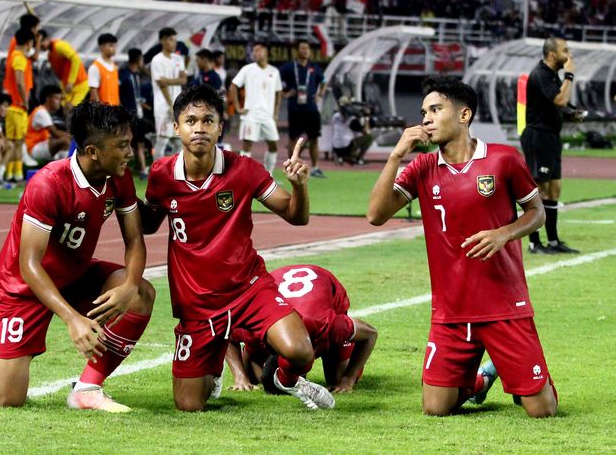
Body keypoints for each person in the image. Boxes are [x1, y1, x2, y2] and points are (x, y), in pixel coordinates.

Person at [366, 76, 558, 418]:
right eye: (423, 111)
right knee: (435, 409)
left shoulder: (503, 159)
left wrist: (504, 233)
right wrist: (396, 156)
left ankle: (531, 378)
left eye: (436, 109)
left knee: (541, 411)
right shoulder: (422, 167)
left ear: (464, 115)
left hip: (504, 306)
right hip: (451, 311)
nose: (426, 118)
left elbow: (537, 212)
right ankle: (483, 379)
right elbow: (376, 215)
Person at [0, 102, 155, 412]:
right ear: (93, 151)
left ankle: (86, 389)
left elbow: (134, 240)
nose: (130, 152)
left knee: (140, 292)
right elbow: (29, 264)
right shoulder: (48, 184)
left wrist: (128, 285)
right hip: (24, 286)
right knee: (4, 400)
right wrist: (72, 318)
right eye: (123, 145)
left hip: (75, 275)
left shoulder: (119, 177)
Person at [141, 84, 334, 411]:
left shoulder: (244, 170)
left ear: (220, 127)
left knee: (300, 350)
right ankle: (214, 363)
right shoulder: (162, 174)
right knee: (189, 406)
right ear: (176, 128)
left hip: (249, 290)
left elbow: (295, 216)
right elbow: (148, 224)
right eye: (190, 121)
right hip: (198, 303)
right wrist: (116, 190)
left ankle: (285, 380)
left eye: (207, 120)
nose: (199, 128)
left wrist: (299, 186)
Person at [225, 264, 378, 394]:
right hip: (278, 291)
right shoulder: (256, 327)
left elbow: (370, 334)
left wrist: (348, 379)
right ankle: (254, 356)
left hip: (322, 282)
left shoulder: (324, 324)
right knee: (252, 378)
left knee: (337, 379)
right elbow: (226, 335)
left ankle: (336, 346)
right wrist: (241, 377)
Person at [521, 37, 579, 254]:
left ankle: (553, 242)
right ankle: (535, 243)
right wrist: (570, 75)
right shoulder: (541, 74)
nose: (569, 55)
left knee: (554, 189)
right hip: (538, 137)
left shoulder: (552, 75)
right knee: (539, 190)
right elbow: (560, 100)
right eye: (565, 50)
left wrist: (572, 113)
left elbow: (559, 104)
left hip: (551, 137)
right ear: (552, 55)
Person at [229, 42, 282, 174]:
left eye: (258, 51)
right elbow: (233, 86)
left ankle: (268, 175)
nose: (255, 53)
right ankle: (243, 175)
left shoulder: (274, 72)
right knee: (247, 145)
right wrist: (238, 107)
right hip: (250, 115)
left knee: (273, 145)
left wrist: (275, 113)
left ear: (266, 53)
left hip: (267, 116)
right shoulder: (247, 69)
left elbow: (278, 93)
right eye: (254, 51)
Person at [279, 40, 327, 177]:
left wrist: (320, 95)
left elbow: (323, 81)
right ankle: (291, 166)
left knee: (314, 139)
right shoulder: (288, 68)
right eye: (302, 48)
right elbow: (275, 81)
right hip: (295, 108)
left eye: (307, 48)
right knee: (293, 139)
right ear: (297, 51)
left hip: (311, 108)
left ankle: (316, 168)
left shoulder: (314, 67)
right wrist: (285, 94)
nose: (305, 50)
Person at [3, 28, 35, 182]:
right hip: (16, 106)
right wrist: (25, 100)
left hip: (17, 107)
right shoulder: (18, 57)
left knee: (18, 142)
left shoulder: (16, 56)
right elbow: (19, 81)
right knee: (14, 142)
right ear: (29, 43)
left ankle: (15, 174)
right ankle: (10, 174)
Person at [150, 27, 187, 159]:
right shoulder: (157, 60)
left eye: (175, 40)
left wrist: (168, 81)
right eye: (171, 40)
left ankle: (172, 172)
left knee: (178, 140)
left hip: (177, 105)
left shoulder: (178, 59)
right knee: (163, 139)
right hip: (163, 106)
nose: (174, 43)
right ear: (163, 41)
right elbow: (161, 85)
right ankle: (157, 173)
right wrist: (171, 105)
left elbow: (183, 80)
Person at [39, 30, 89, 113]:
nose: (39, 46)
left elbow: (75, 59)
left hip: (79, 83)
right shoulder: (50, 55)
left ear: (47, 39)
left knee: (70, 109)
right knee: (61, 108)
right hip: (68, 87)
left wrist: (70, 82)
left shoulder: (59, 45)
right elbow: (61, 74)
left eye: (41, 43)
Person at [119, 48, 149, 180]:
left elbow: (136, 95)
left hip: (139, 114)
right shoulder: (124, 74)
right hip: (128, 115)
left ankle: (142, 170)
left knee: (139, 144)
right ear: (138, 59)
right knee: (127, 143)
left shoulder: (137, 75)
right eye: (142, 59)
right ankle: (123, 170)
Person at [26, 84, 71, 163]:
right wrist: (75, 137)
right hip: (33, 148)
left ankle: (60, 166)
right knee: (65, 141)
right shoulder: (41, 112)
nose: (59, 102)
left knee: (63, 139)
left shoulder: (43, 111)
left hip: (40, 145)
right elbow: (55, 133)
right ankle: (61, 169)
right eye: (57, 98)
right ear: (48, 99)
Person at [88, 33, 120, 105]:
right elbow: (93, 93)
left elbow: (116, 93)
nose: (114, 48)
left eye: (115, 45)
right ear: (102, 47)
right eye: (111, 45)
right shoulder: (95, 67)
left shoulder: (114, 67)